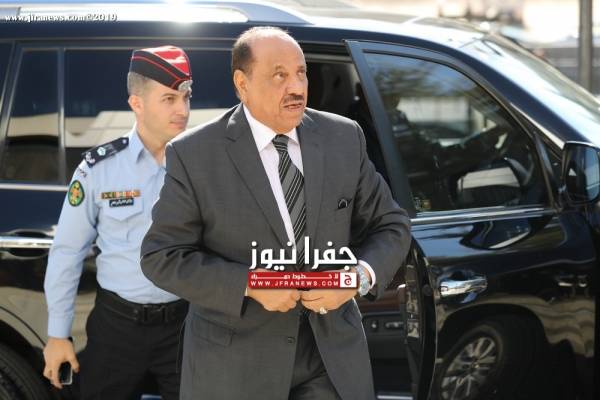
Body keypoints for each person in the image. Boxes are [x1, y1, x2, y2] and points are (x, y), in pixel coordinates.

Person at [140, 27, 411, 400]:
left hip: (331, 359)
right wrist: (251, 283)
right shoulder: (194, 154)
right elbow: (161, 256)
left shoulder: (344, 137)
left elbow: (391, 225)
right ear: (242, 83)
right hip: (236, 366)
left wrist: (356, 278)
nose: (296, 87)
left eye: (301, 73)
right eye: (279, 75)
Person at [42, 45, 192, 400]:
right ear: (137, 103)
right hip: (117, 328)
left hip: (186, 326)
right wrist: (58, 335)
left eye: (187, 97)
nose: (183, 110)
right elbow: (67, 252)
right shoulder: (98, 169)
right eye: (169, 99)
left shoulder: (200, 165)